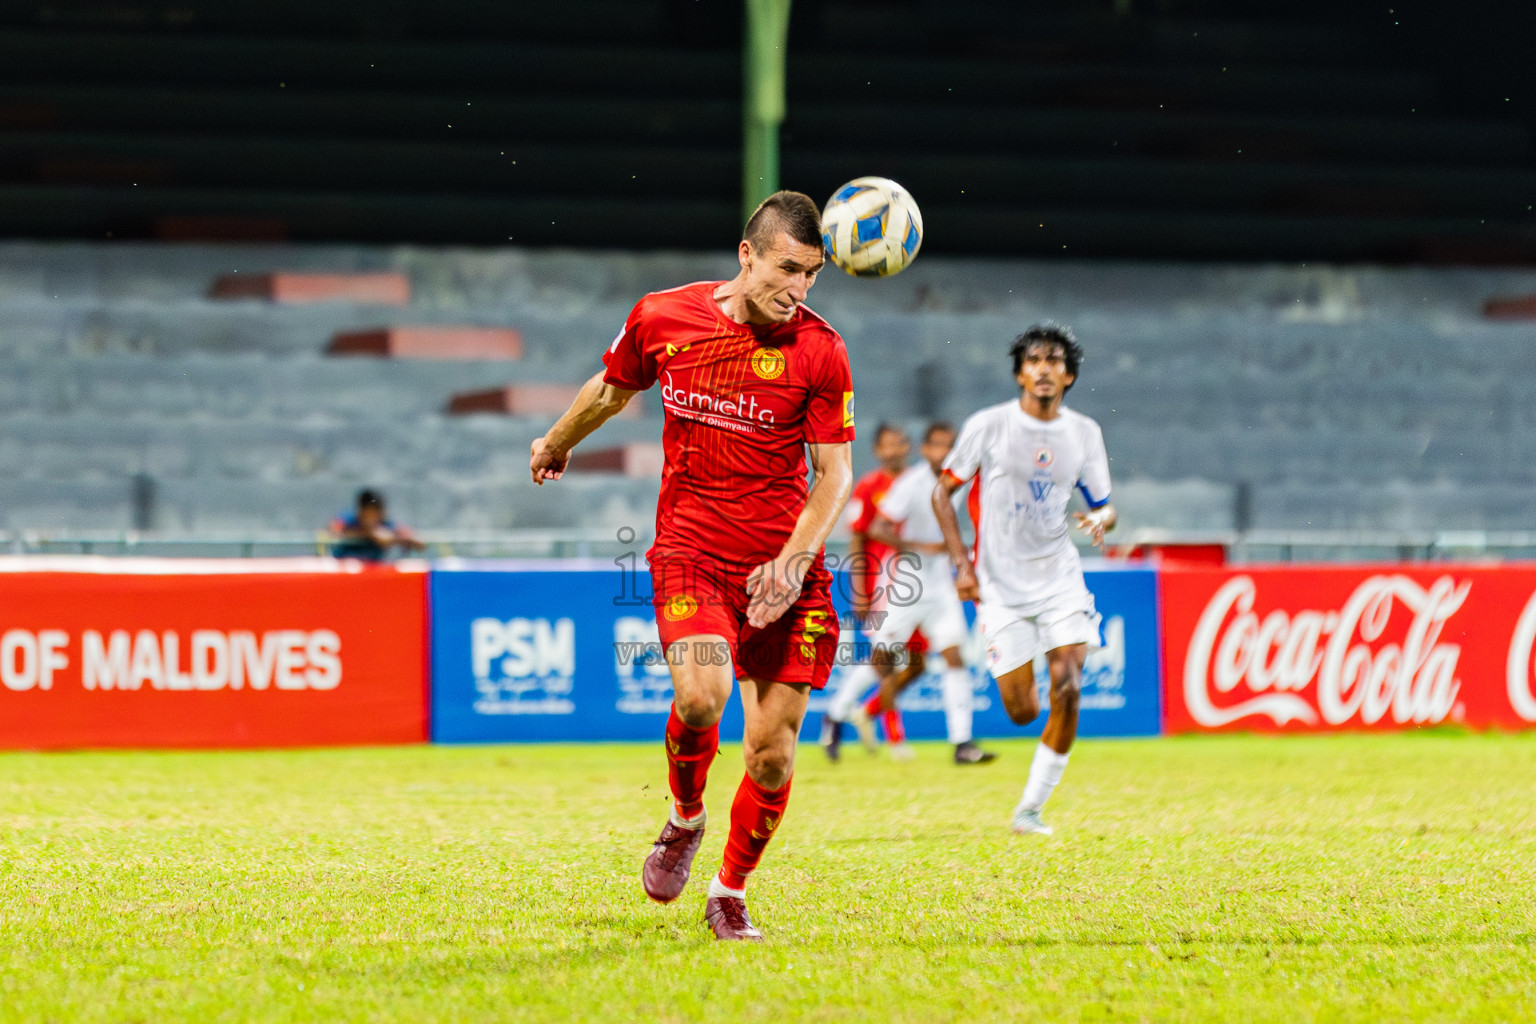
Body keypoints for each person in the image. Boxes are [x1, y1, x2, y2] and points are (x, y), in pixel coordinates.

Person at [528, 191, 854, 941]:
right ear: (747, 256)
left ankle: (730, 890)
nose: (798, 290)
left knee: (770, 756)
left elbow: (833, 475)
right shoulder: (664, 316)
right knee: (703, 699)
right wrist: (556, 440)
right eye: (786, 269)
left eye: (811, 276)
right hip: (692, 556)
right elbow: (612, 387)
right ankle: (684, 816)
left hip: (786, 568)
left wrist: (792, 561)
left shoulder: (821, 349)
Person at [931, 323, 1116, 835]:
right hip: (998, 590)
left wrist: (1102, 520)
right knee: (1021, 711)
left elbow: (1104, 507)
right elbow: (940, 495)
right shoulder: (989, 426)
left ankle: (1030, 810)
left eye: (1054, 360)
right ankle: (1029, 707)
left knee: (1070, 685)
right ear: (1019, 372)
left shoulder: (1085, 433)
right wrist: (961, 567)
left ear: (1069, 375)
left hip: (1060, 580)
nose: (1043, 367)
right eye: (1034, 359)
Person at [864, 422, 997, 765]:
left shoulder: (963, 480)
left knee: (955, 657)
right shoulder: (911, 483)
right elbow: (877, 527)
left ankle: (962, 743)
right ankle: (840, 714)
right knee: (882, 660)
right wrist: (919, 546)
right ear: (924, 450)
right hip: (906, 585)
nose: (943, 453)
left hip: (940, 586)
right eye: (936, 446)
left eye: (949, 446)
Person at [819, 423, 917, 760]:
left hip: (920, 585)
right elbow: (857, 539)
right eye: (887, 444)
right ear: (878, 450)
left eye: (900, 442)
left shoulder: (918, 484)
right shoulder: (868, 488)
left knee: (909, 661)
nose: (895, 450)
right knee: (887, 660)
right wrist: (860, 591)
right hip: (883, 586)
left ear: (908, 446)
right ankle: (891, 736)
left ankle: (839, 714)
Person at [328, 489, 425, 561]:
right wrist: (368, 534)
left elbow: (417, 541)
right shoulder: (350, 518)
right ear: (360, 511)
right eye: (367, 513)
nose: (370, 518)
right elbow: (333, 530)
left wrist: (395, 539)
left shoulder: (386, 523)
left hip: (371, 575)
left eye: (374, 513)